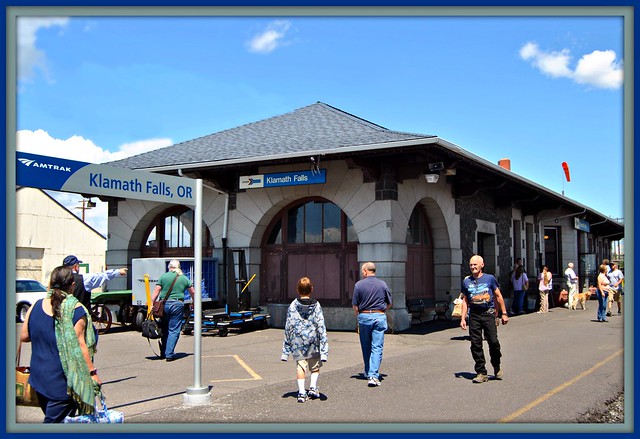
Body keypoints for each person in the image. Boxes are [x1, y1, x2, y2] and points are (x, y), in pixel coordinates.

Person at [19, 266, 102, 423]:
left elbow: (24, 336)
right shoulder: (76, 310)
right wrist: (93, 374)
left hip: (39, 380)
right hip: (62, 385)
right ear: (72, 285)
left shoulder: (35, 306)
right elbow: (80, 345)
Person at [459, 255, 509, 383]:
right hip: (474, 315)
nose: (473, 267)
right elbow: (465, 300)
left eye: (475, 264)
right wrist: (463, 318)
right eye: (471, 265)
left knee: (493, 342)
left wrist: (504, 313)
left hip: (488, 314)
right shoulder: (466, 282)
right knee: (475, 344)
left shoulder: (489, 279)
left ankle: (496, 365)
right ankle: (481, 372)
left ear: (482, 265)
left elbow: (498, 295)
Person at [280, 277, 329, 403]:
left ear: (298, 290)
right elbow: (321, 325)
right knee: (315, 366)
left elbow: (288, 326)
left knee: (301, 366)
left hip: (298, 341)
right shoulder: (316, 305)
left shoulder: (293, 305)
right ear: (311, 289)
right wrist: (324, 349)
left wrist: (285, 351)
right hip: (313, 341)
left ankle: (301, 392)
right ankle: (313, 387)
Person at [352, 262, 392, 387]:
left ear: (365, 271)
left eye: (362, 270)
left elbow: (355, 305)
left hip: (364, 316)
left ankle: (368, 371)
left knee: (366, 345)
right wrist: (382, 311)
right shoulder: (382, 284)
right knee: (377, 346)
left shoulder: (358, 285)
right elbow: (389, 302)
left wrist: (358, 315)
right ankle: (373, 375)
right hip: (379, 315)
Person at [151, 259, 195, 361]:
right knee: (174, 329)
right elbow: (193, 292)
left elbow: (156, 291)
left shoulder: (164, 276)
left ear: (170, 267)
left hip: (164, 304)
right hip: (177, 304)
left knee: (164, 328)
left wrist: (151, 304)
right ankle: (169, 354)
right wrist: (194, 302)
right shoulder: (184, 278)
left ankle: (164, 352)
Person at [62, 255, 128, 310]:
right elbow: (102, 276)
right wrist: (118, 272)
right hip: (80, 317)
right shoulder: (84, 279)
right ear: (76, 266)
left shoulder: (58, 279)